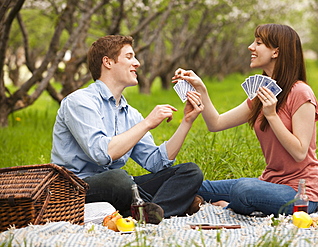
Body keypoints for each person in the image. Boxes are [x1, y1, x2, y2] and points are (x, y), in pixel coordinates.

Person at [51, 35, 204, 224]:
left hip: (121, 187)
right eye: (130, 57)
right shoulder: (79, 102)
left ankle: (149, 213)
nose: (137, 63)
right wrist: (147, 123)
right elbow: (102, 153)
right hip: (77, 187)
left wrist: (186, 122)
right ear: (107, 62)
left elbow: (155, 162)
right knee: (120, 180)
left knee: (189, 172)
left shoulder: (130, 114)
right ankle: (169, 206)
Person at [172, 24, 318, 216]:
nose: (250, 47)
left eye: (258, 43)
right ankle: (220, 201)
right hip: (268, 183)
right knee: (194, 185)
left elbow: (300, 152)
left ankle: (226, 205)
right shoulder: (260, 94)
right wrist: (201, 89)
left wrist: (272, 115)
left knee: (244, 190)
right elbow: (215, 124)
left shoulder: (301, 93)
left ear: (276, 51)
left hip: (300, 193)